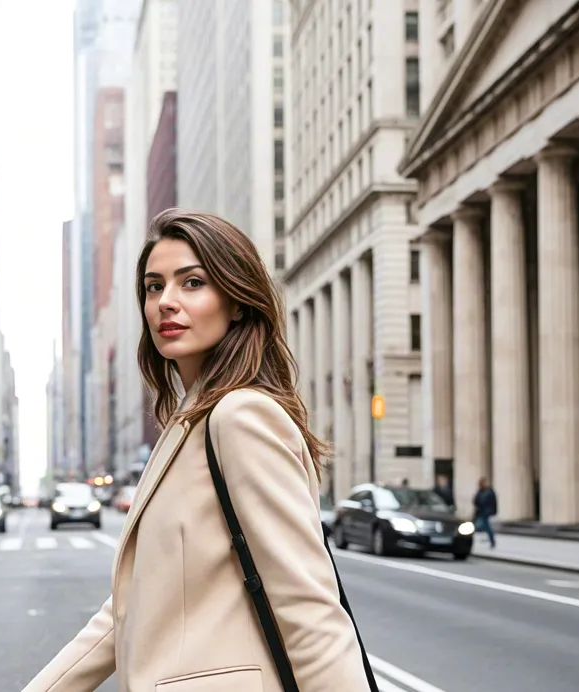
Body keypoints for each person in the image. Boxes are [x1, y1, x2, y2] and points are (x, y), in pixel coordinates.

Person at [24, 209, 374, 691]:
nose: (166, 302)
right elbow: (124, 611)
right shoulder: (185, 425)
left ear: (236, 301)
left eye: (192, 283)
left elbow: (308, 607)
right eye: (153, 286)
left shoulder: (241, 417)